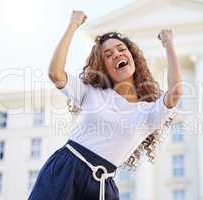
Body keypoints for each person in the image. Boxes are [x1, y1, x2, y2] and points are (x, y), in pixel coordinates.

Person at [29, 10, 182, 200]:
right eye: (108, 55)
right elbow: (55, 74)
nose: (117, 55)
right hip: (65, 169)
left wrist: (168, 44)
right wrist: (72, 25)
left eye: (121, 49)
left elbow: (175, 93)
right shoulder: (91, 92)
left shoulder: (148, 113)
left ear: (132, 56)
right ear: (103, 66)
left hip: (102, 184)